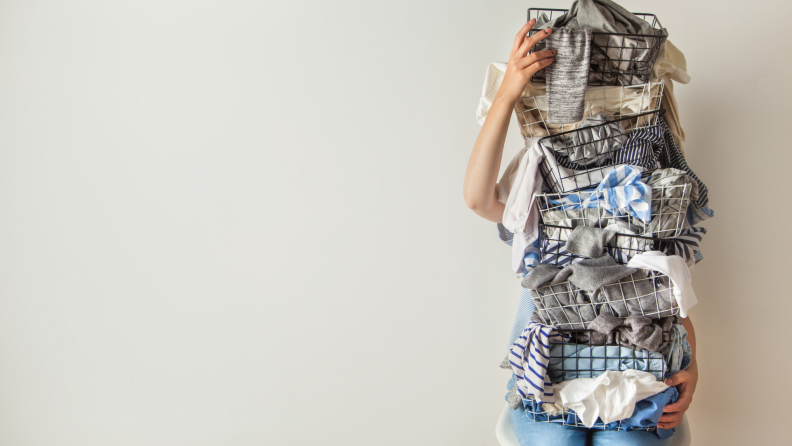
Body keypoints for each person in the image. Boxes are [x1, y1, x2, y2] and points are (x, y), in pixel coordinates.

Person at [462, 19, 698, 446]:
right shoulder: (542, 186)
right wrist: (508, 93)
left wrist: (692, 369)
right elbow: (479, 200)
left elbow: (671, 297)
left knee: (625, 442)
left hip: (637, 366)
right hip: (547, 372)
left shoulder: (649, 189)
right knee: (558, 442)